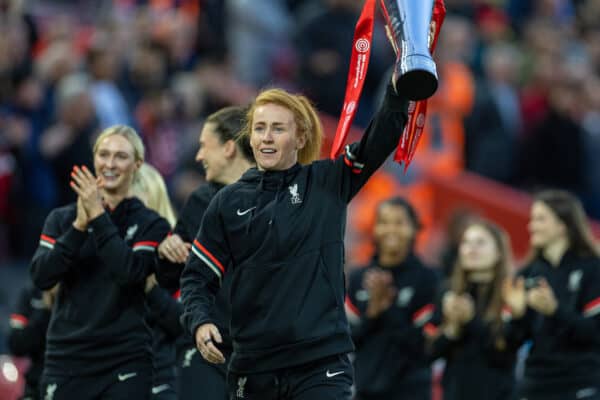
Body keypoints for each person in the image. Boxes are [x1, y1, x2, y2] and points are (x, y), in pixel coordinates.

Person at [180, 67, 410, 399]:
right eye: (260, 129)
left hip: (321, 365)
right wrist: (199, 322)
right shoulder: (226, 203)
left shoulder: (327, 182)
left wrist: (398, 89)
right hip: (253, 369)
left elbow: (380, 139)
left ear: (300, 138)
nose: (267, 137)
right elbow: (196, 278)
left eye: (277, 129)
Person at [29, 125, 171, 400]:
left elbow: (130, 272)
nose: (110, 163)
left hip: (124, 361)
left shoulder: (150, 223)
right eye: (104, 155)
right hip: (66, 358)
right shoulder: (62, 219)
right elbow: (41, 277)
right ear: (94, 159)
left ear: (137, 164)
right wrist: (79, 227)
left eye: (120, 156)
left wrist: (97, 217)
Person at [155, 106, 254, 400]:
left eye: (203, 146)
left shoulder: (275, 198)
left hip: (259, 350)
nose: (198, 157)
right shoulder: (200, 200)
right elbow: (170, 278)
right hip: (205, 343)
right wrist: (167, 253)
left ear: (228, 148)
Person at [502, 190, 600, 400]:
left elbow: (595, 332)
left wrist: (555, 311)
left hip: (579, 383)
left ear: (563, 224)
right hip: (536, 383)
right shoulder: (526, 274)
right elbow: (510, 345)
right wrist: (517, 315)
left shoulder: (594, 269)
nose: (531, 226)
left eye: (540, 219)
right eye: (532, 219)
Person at [345, 197, 438, 400]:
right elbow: (348, 341)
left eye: (400, 223)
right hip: (365, 390)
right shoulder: (360, 276)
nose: (391, 230)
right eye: (384, 222)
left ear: (415, 228)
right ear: (375, 228)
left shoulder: (428, 278)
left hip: (411, 392)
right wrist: (372, 313)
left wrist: (388, 308)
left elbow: (424, 347)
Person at [429, 219, 517, 400]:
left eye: (480, 243)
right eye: (466, 243)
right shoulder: (447, 291)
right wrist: (451, 330)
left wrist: (470, 320)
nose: (471, 248)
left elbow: (504, 354)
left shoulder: (511, 292)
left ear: (499, 252)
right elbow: (429, 353)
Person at [131, 162, 181, 400]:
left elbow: (183, 323)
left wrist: (150, 287)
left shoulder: (176, 252)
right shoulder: (103, 248)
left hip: (160, 376)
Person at [7, 285, 56, 400]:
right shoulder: (33, 294)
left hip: (73, 379)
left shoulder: (81, 293)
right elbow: (16, 344)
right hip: (37, 381)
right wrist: (46, 308)